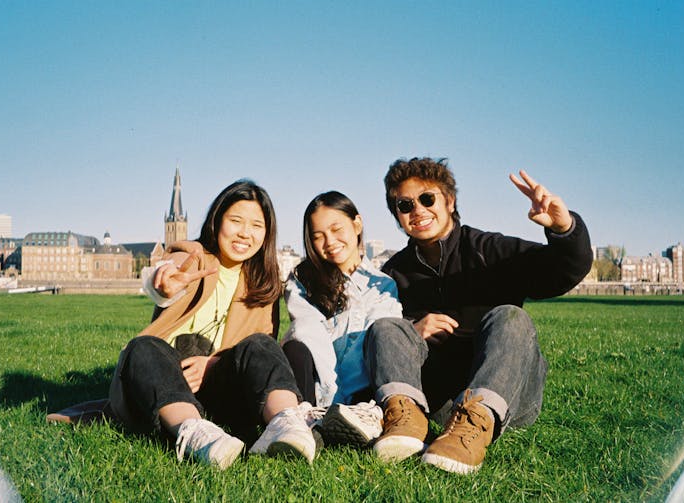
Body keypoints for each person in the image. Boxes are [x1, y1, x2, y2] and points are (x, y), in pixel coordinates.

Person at [365, 157, 592, 474]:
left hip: (507, 397)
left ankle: (475, 424)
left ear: (449, 200)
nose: (418, 210)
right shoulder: (394, 274)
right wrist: (413, 330)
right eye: (405, 205)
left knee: (511, 317)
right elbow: (380, 342)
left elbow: (560, 273)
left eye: (427, 198)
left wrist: (563, 228)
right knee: (387, 326)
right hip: (438, 402)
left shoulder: (490, 250)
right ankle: (406, 426)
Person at [107, 179, 317, 469]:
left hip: (224, 389)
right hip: (169, 385)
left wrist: (213, 364)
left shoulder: (263, 284)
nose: (245, 233)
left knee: (262, 344)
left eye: (256, 225)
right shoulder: (195, 258)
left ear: (266, 234)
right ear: (217, 222)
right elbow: (168, 272)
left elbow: (254, 356)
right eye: (236, 221)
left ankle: (288, 425)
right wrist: (165, 284)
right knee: (142, 347)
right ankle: (196, 433)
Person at [282, 191, 401, 446]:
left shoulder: (383, 284)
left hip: (363, 388)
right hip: (317, 390)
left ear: (356, 224)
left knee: (380, 335)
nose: (330, 242)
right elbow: (308, 332)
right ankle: (310, 421)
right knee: (298, 340)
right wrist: (330, 398)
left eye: (337, 229)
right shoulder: (301, 281)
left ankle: (360, 415)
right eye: (318, 236)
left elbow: (378, 337)